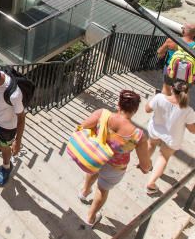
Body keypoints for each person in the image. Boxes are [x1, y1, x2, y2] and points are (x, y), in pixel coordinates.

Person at [77, 90, 151, 227]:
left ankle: (84, 192)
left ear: (118, 104)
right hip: (115, 167)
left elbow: (83, 127)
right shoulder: (138, 136)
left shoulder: (102, 114)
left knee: (93, 172)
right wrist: (146, 168)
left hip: (96, 157)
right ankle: (90, 217)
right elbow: (145, 164)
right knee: (102, 190)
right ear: (135, 110)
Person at [145, 81, 195, 194]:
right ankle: (151, 183)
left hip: (156, 130)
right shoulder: (188, 111)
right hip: (172, 138)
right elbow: (193, 130)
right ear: (187, 93)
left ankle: (145, 165)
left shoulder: (159, 98)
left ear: (172, 88)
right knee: (163, 157)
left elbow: (147, 109)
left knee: (151, 144)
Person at [157, 23, 195, 95]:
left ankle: (165, 101)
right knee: (181, 92)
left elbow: (160, 52)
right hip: (187, 73)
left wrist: (160, 54)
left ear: (183, 31)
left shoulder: (171, 40)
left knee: (166, 88)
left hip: (170, 69)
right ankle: (177, 102)